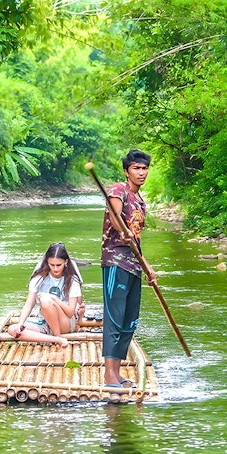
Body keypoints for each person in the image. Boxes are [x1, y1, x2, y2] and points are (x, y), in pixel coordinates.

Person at [100, 149, 156, 389]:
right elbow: (115, 217)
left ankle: (117, 372)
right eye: (136, 168)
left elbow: (137, 239)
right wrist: (121, 230)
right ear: (126, 171)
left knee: (129, 319)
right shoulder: (117, 190)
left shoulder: (140, 201)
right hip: (115, 262)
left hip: (134, 265)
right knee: (114, 317)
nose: (141, 173)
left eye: (144, 168)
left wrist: (148, 267)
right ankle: (108, 375)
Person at [8, 242, 86, 347]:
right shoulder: (39, 276)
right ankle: (56, 339)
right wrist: (20, 323)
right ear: (47, 263)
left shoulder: (72, 279)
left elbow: (70, 312)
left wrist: (53, 298)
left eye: (59, 265)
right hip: (45, 320)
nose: (55, 269)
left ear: (66, 262)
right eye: (51, 265)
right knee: (12, 329)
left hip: (65, 322)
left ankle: (57, 336)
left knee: (45, 300)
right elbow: (29, 304)